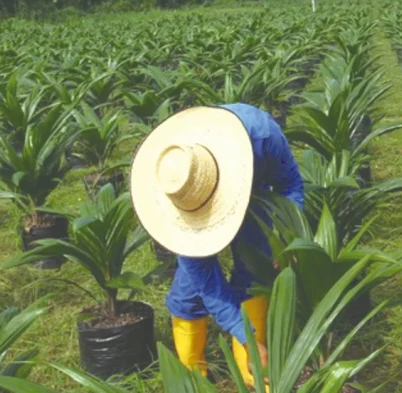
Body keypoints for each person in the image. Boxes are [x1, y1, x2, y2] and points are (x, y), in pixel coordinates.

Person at [129, 103, 303, 386]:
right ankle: (194, 380)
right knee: (188, 293)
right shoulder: (174, 177)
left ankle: (254, 377)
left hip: (255, 197)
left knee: (254, 274)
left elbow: (290, 185)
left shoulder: (261, 135)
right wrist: (245, 337)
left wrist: (288, 237)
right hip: (191, 207)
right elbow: (208, 284)